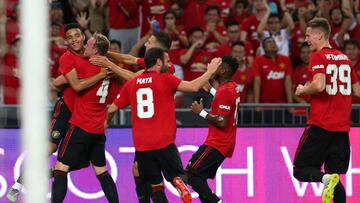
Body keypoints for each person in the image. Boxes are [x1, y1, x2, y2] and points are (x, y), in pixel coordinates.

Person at [5, 23, 107, 203]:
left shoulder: (92, 54)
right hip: (66, 109)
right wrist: (95, 76)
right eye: (70, 37)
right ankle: (18, 185)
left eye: (77, 35)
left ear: (83, 37)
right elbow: (60, 83)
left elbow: (105, 51)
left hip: (83, 116)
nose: (74, 39)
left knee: (84, 162)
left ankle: (48, 173)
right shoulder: (67, 58)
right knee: (50, 148)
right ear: (65, 41)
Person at [106, 48, 222, 203]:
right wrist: (210, 72)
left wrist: (106, 123)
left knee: (156, 185)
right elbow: (193, 87)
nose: (169, 64)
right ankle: (178, 182)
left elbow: (112, 108)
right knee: (177, 175)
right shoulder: (166, 79)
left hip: (142, 145)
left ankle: (175, 182)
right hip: (163, 142)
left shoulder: (131, 84)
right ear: (158, 62)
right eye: (167, 61)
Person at [293, 18, 360, 203]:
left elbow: (320, 85)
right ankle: (328, 179)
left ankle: (325, 179)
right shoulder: (345, 59)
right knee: (335, 177)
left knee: (300, 170)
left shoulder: (318, 56)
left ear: (320, 35)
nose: (306, 40)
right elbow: (357, 91)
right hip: (341, 129)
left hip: (321, 124)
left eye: (308, 35)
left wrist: (303, 89)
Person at [51, 33, 120, 203]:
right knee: (102, 172)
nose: (84, 48)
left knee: (60, 169)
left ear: (95, 49)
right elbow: (113, 102)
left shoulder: (83, 66)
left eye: (88, 45)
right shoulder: (112, 72)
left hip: (80, 126)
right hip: (98, 130)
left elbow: (58, 83)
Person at [186, 55, 240, 203]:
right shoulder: (231, 88)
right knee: (199, 178)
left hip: (218, 142)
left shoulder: (225, 91)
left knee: (191, 175)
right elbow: (225, 99)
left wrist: (201, 112)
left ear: (222, 70)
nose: (211, 66)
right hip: (224, 142)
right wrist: (210, 89)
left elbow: (222, 121)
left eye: (215, 65)